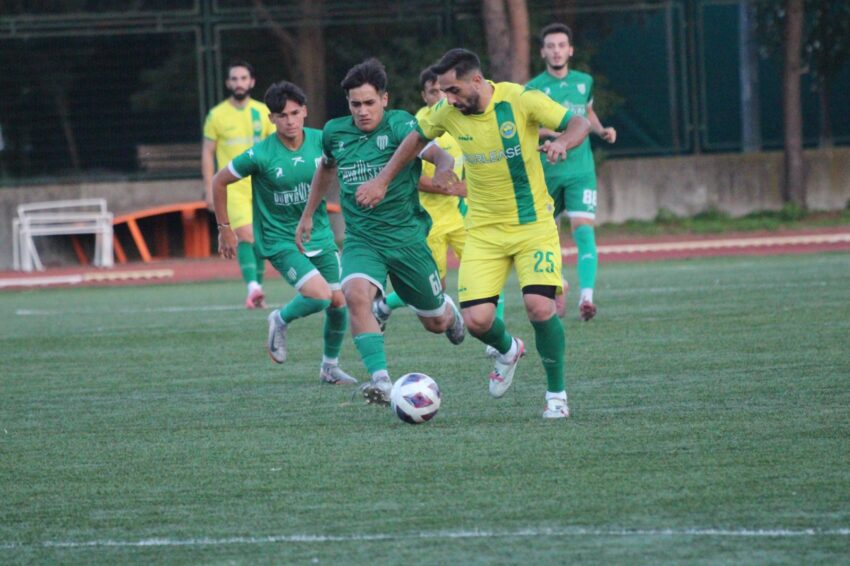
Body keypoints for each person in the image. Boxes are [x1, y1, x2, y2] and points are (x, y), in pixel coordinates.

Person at [356, 48, 590, 419]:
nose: (447, 99)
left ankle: (556, 395)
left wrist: (563, 142)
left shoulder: (520, 98)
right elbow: (414, 140)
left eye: (452, 90)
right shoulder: (447, 112)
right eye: (442, 92)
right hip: (482, 228)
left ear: (476, 81)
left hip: (533, 226)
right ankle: (509, 349)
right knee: (478, 321)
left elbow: (577, 123)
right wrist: (383, 181)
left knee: (539, 307)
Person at [295, 58, 465, 406]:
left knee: (434, 322)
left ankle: (448, 312)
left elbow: (439, 155)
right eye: (355, 104)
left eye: (369, 102)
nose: (362, 111)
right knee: (355, 294)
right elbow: (326, 169)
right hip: (362, 239)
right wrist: (308, 214)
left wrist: (446, 172)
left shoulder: (402, 125)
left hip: (406, 240)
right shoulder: (335, 133)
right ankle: (382, 382)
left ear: (384, 99)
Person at [212, 80, 357, 386]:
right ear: (271, 119)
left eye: (294, 112)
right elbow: (219, 181)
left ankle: (329, 367)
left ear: (304, 111)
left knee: (339, 302)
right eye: (282, 115)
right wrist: (225, 228)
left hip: (319, 235)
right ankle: (279, 318)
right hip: (280, 240)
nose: (289, 120)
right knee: (319, 297)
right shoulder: (261, 155)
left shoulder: (323, 141)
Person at [370, 66, 480, 329]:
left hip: (462, 214)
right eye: (434, 92)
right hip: (428, 219)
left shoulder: (464, 118)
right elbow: (409, 176)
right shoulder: (416, 126)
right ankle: (384, 305)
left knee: (481, 273)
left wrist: (470, 187)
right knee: (434, 288)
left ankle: (495, 342)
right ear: (424, 95)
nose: (441, 96)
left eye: (445, 90)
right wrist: (445, 188)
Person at [527, 23, 617, 320]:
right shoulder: (533, 88)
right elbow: (526, 125)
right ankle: (559, 283)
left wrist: (602, 130)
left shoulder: (584, 81)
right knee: (548, 236)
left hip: (581, 169)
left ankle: (587, 298)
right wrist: (548, 131)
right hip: (548, 171)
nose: (556, 51)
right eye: (550, 46)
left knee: (583, 227)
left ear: (570, 50)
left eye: (561, 45)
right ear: (543, 52)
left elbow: (586, 112)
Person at [203, 59, 276, 309]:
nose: (239, 83)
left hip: (260, 185)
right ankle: (253, 288)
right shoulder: (216, 115)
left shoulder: (263, 112)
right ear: (227, 83)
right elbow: (207, 153)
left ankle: (256, 290)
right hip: (231, 187)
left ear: (252, 82)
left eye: (243, 78)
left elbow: (274, 147)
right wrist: (208, 189)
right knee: (246, 234)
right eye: (234, 79)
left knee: (258, 239)